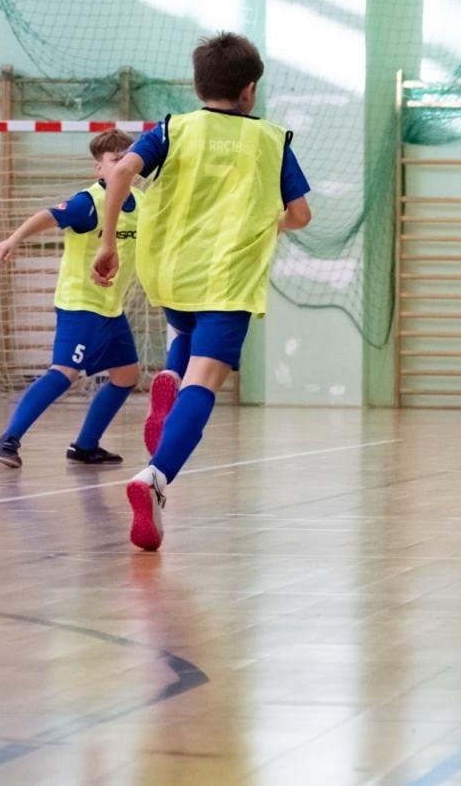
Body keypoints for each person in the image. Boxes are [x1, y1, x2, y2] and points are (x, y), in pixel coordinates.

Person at [94, 32, 312, 551]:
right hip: (226, 280)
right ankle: (155, 478)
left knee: (185, 336)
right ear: (250, 90)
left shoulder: (173, 129)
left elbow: (123, 169)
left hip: (171, 275)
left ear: (197, 85)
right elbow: (301, 215)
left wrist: (108, 243)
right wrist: (266, 226)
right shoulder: (269, 140)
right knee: (205, 383)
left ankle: (170, 370)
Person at [0, 130, 144, 469]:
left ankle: (86, 445)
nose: (121, 168)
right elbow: (49, 215)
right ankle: (6, 439)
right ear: (98, 169)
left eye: (126, 161)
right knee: (65, 372)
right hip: (80, 303)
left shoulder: (141, 204)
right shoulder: (89, 202)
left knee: (127, 375)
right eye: (114, 161)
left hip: (110, 307)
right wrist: (13, 239)